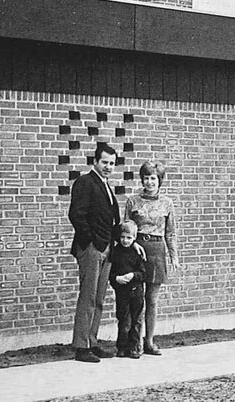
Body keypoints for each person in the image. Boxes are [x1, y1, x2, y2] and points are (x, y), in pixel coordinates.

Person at [68, 143, 121, 363]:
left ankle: (92, 342)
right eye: (105, 162)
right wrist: (91, 242)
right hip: (91, 248)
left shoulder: (106, 185)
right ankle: (81, 347)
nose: (108, 167)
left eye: (112, 163)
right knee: (88, 297)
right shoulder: (85, 182)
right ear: (95, 162)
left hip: (107, 248)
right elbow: (76, 215)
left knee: (99, 298)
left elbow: (110, 219)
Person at [125, 161, 180, 355]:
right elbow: (125, 227)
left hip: (157, 251)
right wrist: (133, 244)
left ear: (160, 180)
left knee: (152, 299)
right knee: (136, 298)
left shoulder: (167, 203)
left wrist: (173, 256)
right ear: (142, 179)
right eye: (146, 178)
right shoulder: (133, 201)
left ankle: (149, 341)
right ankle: (135, 342)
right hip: (137, 250)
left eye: (153, 178)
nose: (149, 182)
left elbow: (170, 233)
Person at [109, 221, 147, 359]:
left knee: (136, 320)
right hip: (122, 292)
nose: (125, 240)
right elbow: (110, 273)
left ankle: (134, 347)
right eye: (123, 237)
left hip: (136, 291)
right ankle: (122, 347)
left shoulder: (137, 252)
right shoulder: (115, 252)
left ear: (134, 238)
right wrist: (116, 278)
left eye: (129, 238)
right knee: (123, 320)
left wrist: (133, 275)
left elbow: (143, 274)